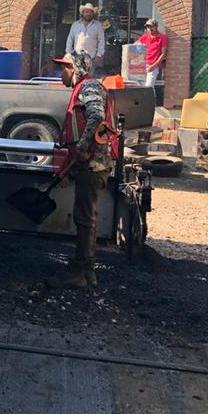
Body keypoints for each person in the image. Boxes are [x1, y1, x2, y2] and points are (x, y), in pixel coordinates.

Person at [47, 50, 118, 289]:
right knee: (85, 217)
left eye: (65, 68)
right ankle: (85, 271)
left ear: (77, 68)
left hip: (93, 163)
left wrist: (83, 147)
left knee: (85, 218)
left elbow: (96, 115)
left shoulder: (88, 87)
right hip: (89, 163)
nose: (61, 74)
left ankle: (82, 272)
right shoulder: (86, 88)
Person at [65, 3, 106, 76]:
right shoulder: (75, 24)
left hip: (91, 58)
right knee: (78, 79)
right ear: (83, 13)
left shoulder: (98, 25)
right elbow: (70, 39)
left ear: (93, 14)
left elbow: (101, 41)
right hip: (77, 58)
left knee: (89, 79)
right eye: (86, 12)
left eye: (90, 12)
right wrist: (69, 52)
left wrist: (99, 55)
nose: (88, 14)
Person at [137, 19, 168, 95]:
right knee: (140, 87)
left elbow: (163, 54)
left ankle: (150, 104)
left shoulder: (162, 38)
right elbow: (133, 47)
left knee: (148, 87)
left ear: (156, 26)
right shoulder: (145, 37)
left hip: (153, 65)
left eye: (151, 26)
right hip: (142, 65)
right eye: (148, 27)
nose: (150, 29)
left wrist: (154, 66)